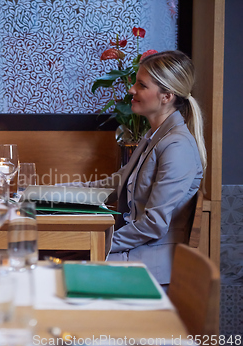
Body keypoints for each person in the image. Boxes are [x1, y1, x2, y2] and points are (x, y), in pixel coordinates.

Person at [66, 50, 206, 286]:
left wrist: (97, 241)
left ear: (166, 96)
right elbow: (109, 186)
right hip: (131, 255)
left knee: (55, 262)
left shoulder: (177, 146)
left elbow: (153, 224)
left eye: (141, 85)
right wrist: (42, 194)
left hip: (148, 268)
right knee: (55, 257)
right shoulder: (154, 137)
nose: (131, 90)